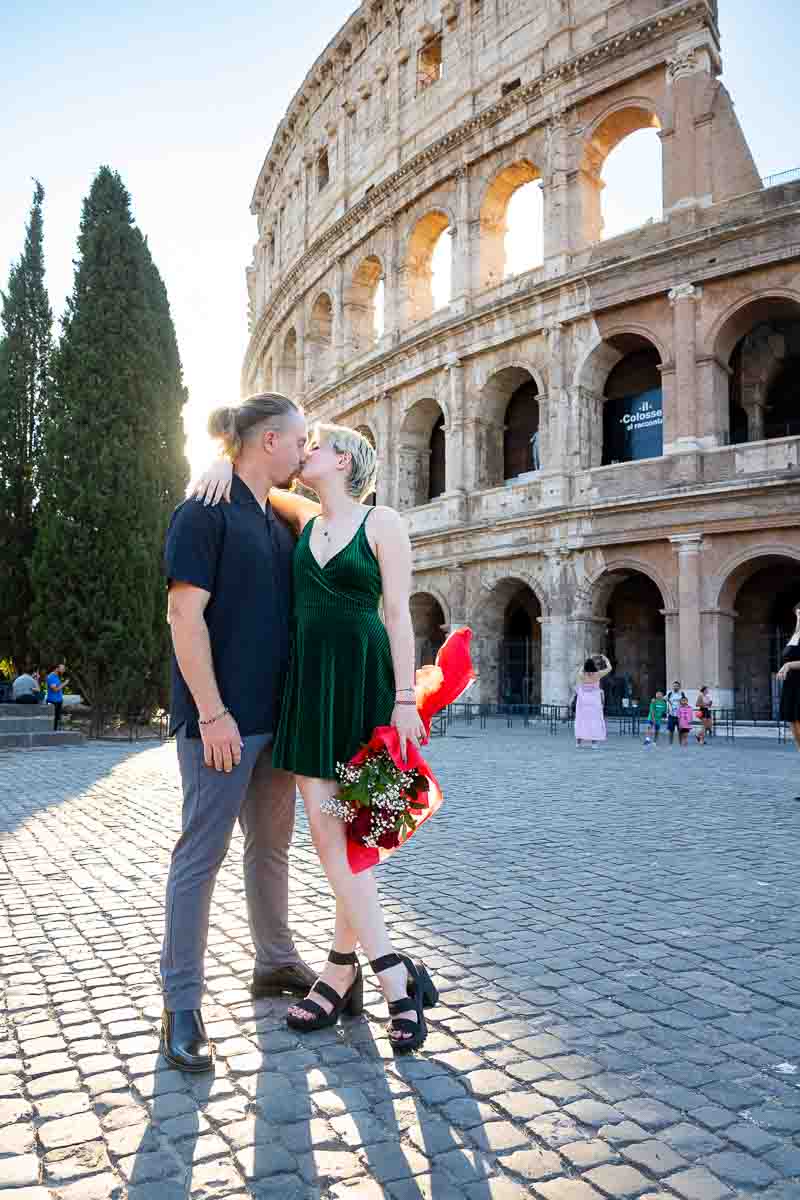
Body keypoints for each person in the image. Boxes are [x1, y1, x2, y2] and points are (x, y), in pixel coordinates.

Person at [196, 421, 438, 1052]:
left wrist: (407, 697)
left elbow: (397, 615)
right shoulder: (301, 520)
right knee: (333, 839)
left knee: (355, 842)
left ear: (348, 459)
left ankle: (347, 971)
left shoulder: (384, 525)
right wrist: (221, 463)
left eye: (317, 445)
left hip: (366, 690)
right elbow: (251, 478)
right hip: (311, 693)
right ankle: (389, 977)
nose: (305, 452)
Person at [160, 393, 316, 1074]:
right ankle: (181, 1003)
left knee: (272, 850)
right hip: (219, 724)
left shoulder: (280, 519)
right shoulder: (203, 510)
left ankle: (275, 963)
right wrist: (214, 713)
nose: (307, 452)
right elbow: (184, 619)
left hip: (275, 724)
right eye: (300, 441)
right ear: (271, 440)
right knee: (201, 855)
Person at [776, 604, 800, 791]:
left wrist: (789, 665)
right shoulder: (795, 636)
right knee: (798, 739)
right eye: (798, 614)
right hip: (791, 689)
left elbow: (789, 662)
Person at [574, 654, 612, 748]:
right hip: (594, 700)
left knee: (581, 720)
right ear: (594, 666)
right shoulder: (598, 674)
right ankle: (594, 743)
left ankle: (578, 742)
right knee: (594, 720)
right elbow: (609, 668)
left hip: (583, 700)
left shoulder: (582, 675)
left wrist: (589, 659)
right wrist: (606, 659)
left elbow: (581, 669)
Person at [46, 663, 68, 729]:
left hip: (58, 701)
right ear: (57, 669)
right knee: (52, 719)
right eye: (62, 669)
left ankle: (55, 733)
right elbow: (55, 689)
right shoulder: (51, 677)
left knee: (57, 720)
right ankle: (51, 734)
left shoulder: (57, 676)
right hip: (52, 701)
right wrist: (65, 683)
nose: (64, 670)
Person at [666, 680, 682, 746]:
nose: (675, 687)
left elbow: (685, 703)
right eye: (674, 686)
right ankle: (670, 743)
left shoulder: (682, 694)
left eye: (677, 686)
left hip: (679, 715)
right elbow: (663, 699)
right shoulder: (669, 694)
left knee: (680, 730)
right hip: (671, 715)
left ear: (679, 687)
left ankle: (681, 743)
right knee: (670, 730)